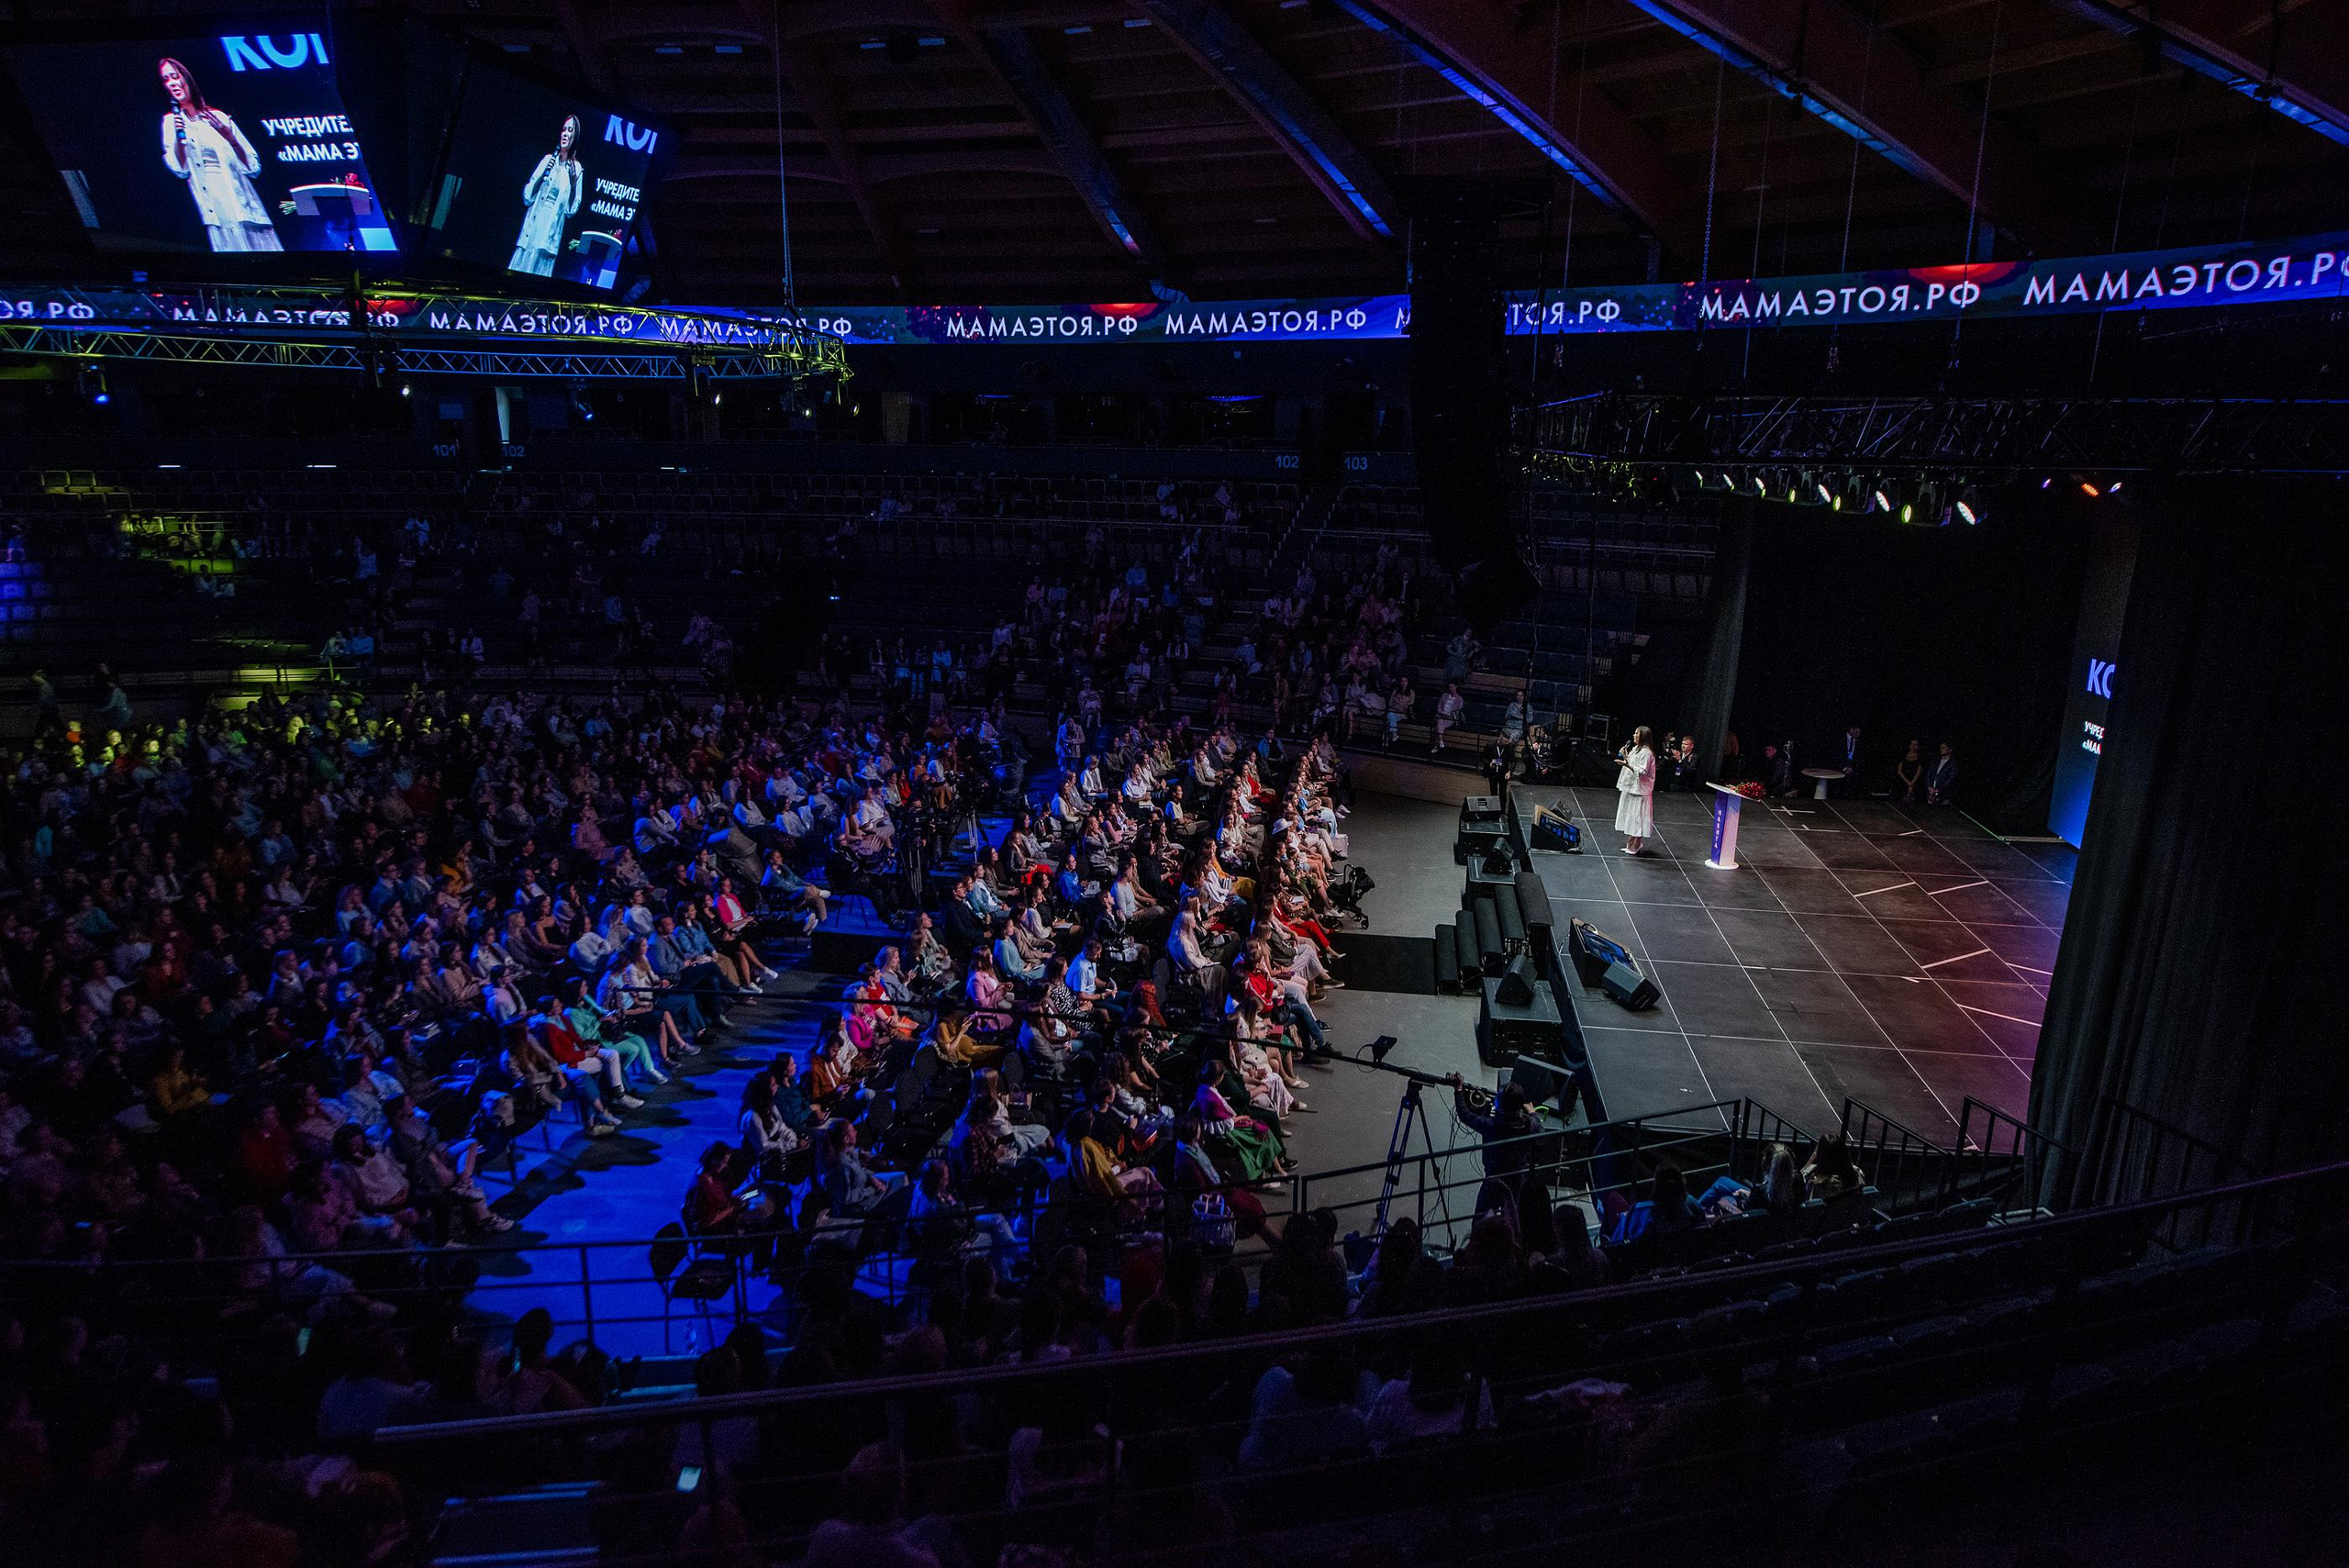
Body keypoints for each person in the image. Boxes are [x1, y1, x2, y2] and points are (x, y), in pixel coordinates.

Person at [158, 56, 282, 253]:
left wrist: (231, 138)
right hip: (214, 208)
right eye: (166, 80)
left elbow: (253, 167)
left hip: (243, 203)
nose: (172, 83)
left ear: (186, 78)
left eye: (175, 76)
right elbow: (180, 170)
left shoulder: (219, 117)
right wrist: (180, 143)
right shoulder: (170, 122)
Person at [511, 115, 585, 276]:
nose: (565, 134)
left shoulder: (577, 169)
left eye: (570, 130)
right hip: (533, 227)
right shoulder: (547, 160)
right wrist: (542, 176)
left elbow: (571, 211)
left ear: (575, 136)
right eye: (564, 130)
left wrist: (573, 186)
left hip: (550, 233)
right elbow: (527, 196)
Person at [1613, 725, 1657, 856]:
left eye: (1636, 734)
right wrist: (1626, 757)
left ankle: (1637, 843)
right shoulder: (1636, 750)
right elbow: (1633, 764)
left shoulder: (1647, 753)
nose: (1634, 736)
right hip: (1632, 787)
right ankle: (1631, 841)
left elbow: (1642, 771)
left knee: (1638, 817)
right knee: (1631, 816)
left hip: (1640, 790)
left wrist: (1627, 764)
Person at [1924, 740, 1957, 806]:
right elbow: (1928, 774)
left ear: (1950, 750)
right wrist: (1929, 786)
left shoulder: (1952, 763)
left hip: (1943, 794)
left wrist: (1938, 789)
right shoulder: (1935, 761)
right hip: (1931, 792)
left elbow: (1951, 779)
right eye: (1941, 748)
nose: (1941, 750)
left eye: (1944, 748)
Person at [1896, 739, 1924, 803]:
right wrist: (1908, 782)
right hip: (1903, 781)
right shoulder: (1903, 755)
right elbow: (1899, 771)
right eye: (1912, 744)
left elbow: (1919, 771)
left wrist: (1911, 783)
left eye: (1915, 745)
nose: (1913, 746)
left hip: (1915, 782)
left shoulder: (1921, 757)